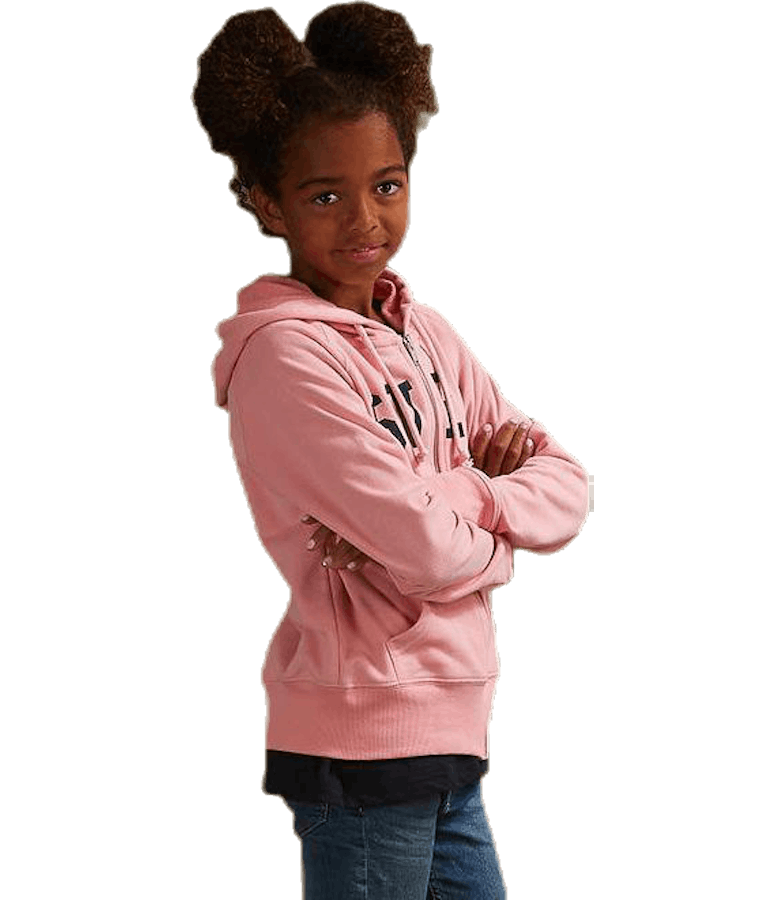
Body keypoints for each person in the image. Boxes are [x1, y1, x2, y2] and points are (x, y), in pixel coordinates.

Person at [193, 3, 590, 896]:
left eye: (387, 184)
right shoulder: (285, 359)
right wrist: (482, 521)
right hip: (362, 743)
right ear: (267, 203)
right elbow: (429, 550)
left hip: (451, 734)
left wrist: (451, 493)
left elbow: (567, 484)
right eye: (324, 195)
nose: (364, 218)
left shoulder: (429, 331)